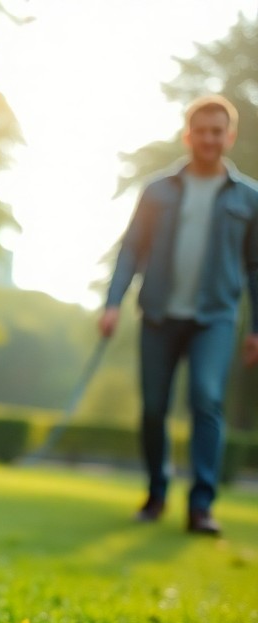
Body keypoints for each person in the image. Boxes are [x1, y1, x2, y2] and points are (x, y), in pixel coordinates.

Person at [99, 94, 258, 536]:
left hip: (215, 318)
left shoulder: (249, 198)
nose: (209, 139)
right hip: (159, 314)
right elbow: (131, 249)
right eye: (201, 131)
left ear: (230, 136)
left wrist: (256, 329)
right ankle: (156, 494)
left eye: (217, 131)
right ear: (188, 135)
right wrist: (113, 303)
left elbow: (256, 267)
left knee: (207, 399)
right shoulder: (158, 191)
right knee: (153, 408)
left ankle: (201, 506)